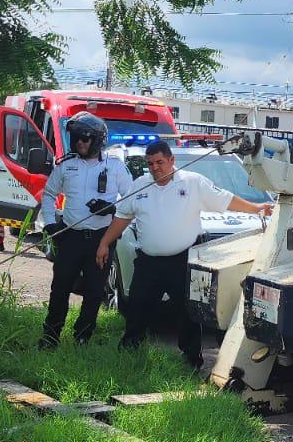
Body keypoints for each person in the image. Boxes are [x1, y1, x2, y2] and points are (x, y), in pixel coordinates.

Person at [96, 142, 273, 369]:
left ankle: (191, 359)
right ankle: (129, 353)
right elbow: (122, 218)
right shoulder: (140, 186)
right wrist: (104, 243)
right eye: (150, 164)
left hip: (182, 261)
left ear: (171, 161)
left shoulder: (193, 183)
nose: (155, 168)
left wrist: (256, 208)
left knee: (187, 313)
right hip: (149, 262)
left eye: (160, 162)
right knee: (137, 308)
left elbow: (226, 200)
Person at [39, 112, 130, 349]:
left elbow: (132, 200)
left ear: (98, 140)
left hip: (101, 239)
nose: (80, 142)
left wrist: (111, 208)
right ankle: (50, 337)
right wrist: (50, 224)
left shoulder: (116, 167)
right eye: (77, 137)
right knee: (60, 287)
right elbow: (48, 195)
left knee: (94, 292)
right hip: (70, 236)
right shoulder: (66, 166)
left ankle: (82, 336)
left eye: (85, 138)